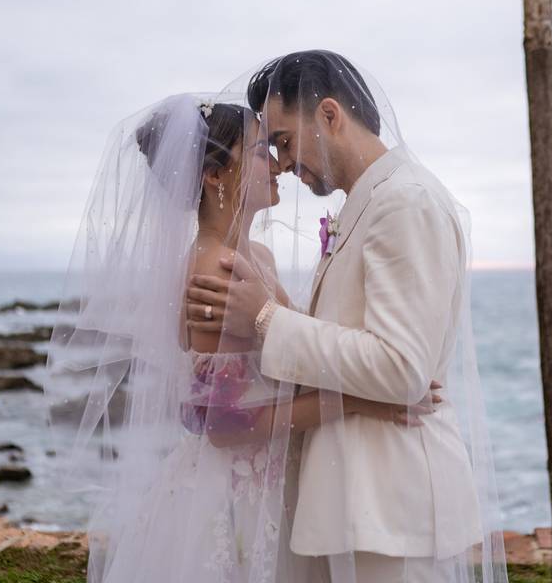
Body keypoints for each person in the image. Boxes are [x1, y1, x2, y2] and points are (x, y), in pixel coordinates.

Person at [43, 92, 439, 583]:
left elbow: (298, 353)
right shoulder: (212, 269)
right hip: (233, 499)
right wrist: (357, 403)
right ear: (213, 175)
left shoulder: (258, 259)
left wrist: (383, 364)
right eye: (258, 151)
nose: (276, 164)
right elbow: (223, 425)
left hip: (275, 483)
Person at [188, 51, 508, 583]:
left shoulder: (405, 203)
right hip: (353, 505)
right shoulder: (371, 203)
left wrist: (265, 318)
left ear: (330, 116)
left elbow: (401, 369)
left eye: (285, 141)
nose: (283, 163)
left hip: (389, 506)